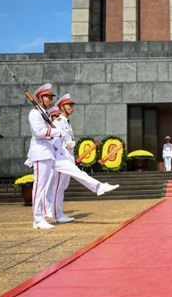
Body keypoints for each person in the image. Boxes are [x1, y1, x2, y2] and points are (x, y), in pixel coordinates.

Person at [46, 94, 119, 223]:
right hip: (61, 157)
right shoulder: (58, 122)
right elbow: (55, 140)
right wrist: (63, 150)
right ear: (62, 107)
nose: (72, 108)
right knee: (62, 184)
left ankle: (58, 214)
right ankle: (98, 187)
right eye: (69, 105)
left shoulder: (66, 122)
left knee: (62, 187)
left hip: (68, 156)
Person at [25, 83, 64, 230]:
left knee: (45, 187)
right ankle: (37, 219)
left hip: (47, 153)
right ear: (40, 98)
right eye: (48, 97)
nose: (51, 100)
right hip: (40, 153)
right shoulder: (34, 113)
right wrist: (56, 132)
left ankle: (41, 216)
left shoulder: (45, 114)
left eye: (52, 97)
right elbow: (39, 132)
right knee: (39, 188)